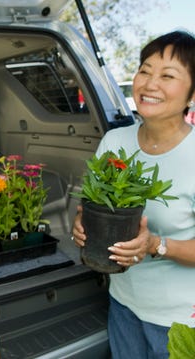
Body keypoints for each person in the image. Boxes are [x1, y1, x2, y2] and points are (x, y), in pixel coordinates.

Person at [72, 30, 195, 359]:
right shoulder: (115, 142)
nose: (150, 84)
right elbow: (93, 204)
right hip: (124, 304)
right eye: (144, 70)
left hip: (181, 321)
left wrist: (156, 245)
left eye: (167, 76)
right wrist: (82, 223)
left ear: (192, 95)